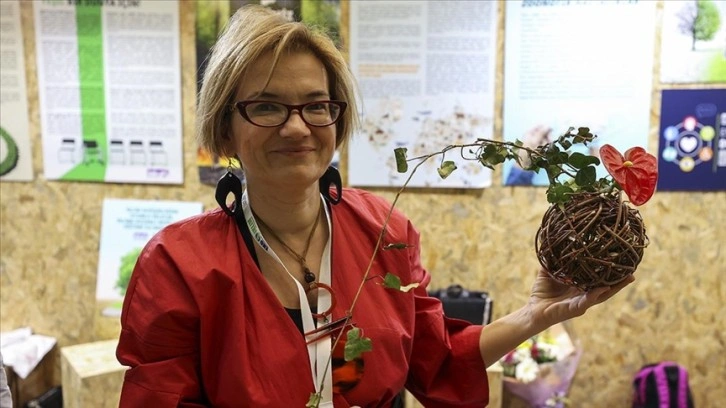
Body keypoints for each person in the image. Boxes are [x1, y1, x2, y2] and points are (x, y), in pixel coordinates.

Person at [116, 5, 633, 407]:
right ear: (226, 123)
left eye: (317, 105)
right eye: (267, 106)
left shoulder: (385, 233)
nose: (297, 127)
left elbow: (438, 361)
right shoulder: (177, 265)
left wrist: (534, 315)